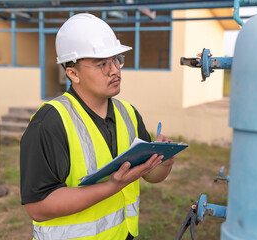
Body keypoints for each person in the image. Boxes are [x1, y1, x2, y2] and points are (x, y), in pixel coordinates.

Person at [20, 13, 176, 240]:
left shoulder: (128, 113)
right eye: (102, 64)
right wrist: (111, 186)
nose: (115, 70)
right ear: (73, 73)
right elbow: (38, 207)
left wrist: (164, 161)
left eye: (116, 59)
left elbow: (149, 175)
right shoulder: (50, 123)